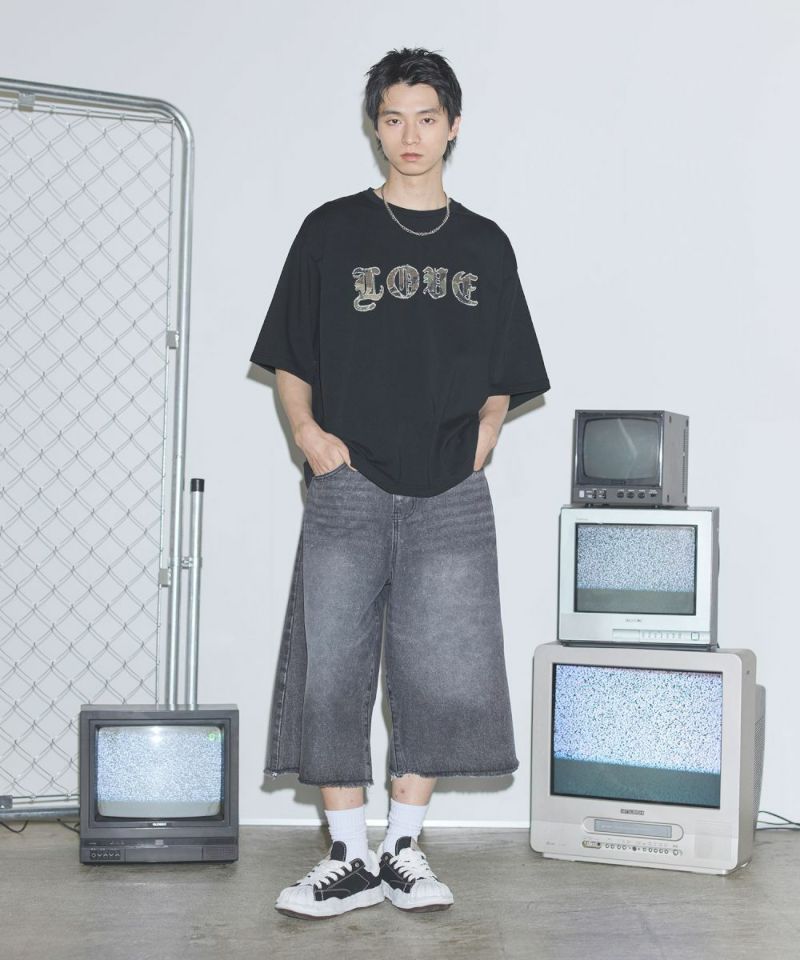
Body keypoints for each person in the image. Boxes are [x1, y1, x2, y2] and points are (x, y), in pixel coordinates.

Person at [250, 46, 550, 920]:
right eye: (393, 118)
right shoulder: (330, 231)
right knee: (331, 666)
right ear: (374, 127)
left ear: (452, 127)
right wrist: (308, 436)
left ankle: (403, 850)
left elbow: (507, 366)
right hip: (348, 479)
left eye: (426, 117)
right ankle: (347, 856)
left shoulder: (485, 244)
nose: (409, 135)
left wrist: (485, 433)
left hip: (449, 488)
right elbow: (291, 356)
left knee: (442, 667)